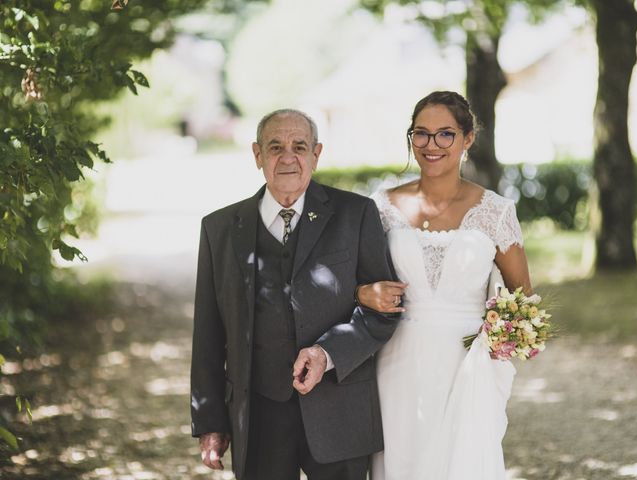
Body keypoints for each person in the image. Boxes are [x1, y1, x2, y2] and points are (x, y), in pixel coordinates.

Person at [190, 109, 399, 480]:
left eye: (299, 146)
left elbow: (385, 308)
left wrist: (328, 353)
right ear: (258, 155)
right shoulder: (219, 229)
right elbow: (208, 333)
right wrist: (211, 422)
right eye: (275, 147)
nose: (288, 157)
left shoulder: (356, 215)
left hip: (340, 409)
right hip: (258, 416)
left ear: (316, 154)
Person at [356, 91, 532, 479]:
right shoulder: (379, 207)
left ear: (467, 139)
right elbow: (354, 283)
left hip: (468, 367)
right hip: (395, 361)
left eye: (445, 134)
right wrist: (364, 294)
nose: (431, 145)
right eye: (421, 134)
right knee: (401, 459)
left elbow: (524, 301)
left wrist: (497, 346)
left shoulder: (496, 212)